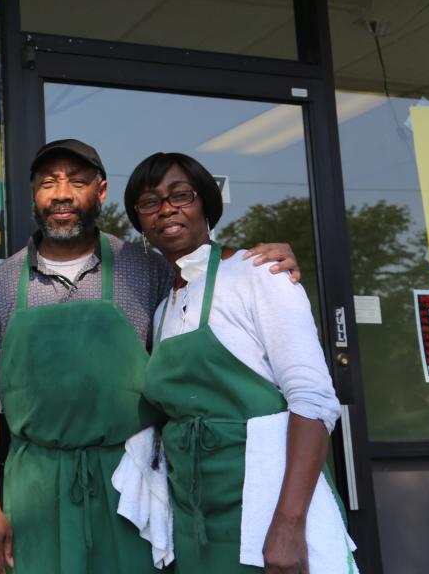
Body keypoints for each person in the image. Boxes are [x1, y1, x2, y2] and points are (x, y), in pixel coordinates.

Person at [0, 139, 300, 574]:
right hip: (34, 491)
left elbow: (211, 279)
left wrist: (257, 259)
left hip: (132, 487)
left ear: (100, 192)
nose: (61, 193)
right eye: (48, 183)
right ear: (34, 196)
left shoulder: (146, 268)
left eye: (77, 182)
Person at [124, 152, 345, 573]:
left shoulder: (258, 274)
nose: (166, 209)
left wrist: (288, 524)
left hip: (264, 509)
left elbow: (313, 400)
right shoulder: (163, 307)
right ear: (140, 221)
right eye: (149, 202)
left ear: (206, 203)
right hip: (195, 518)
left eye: (180, 195)